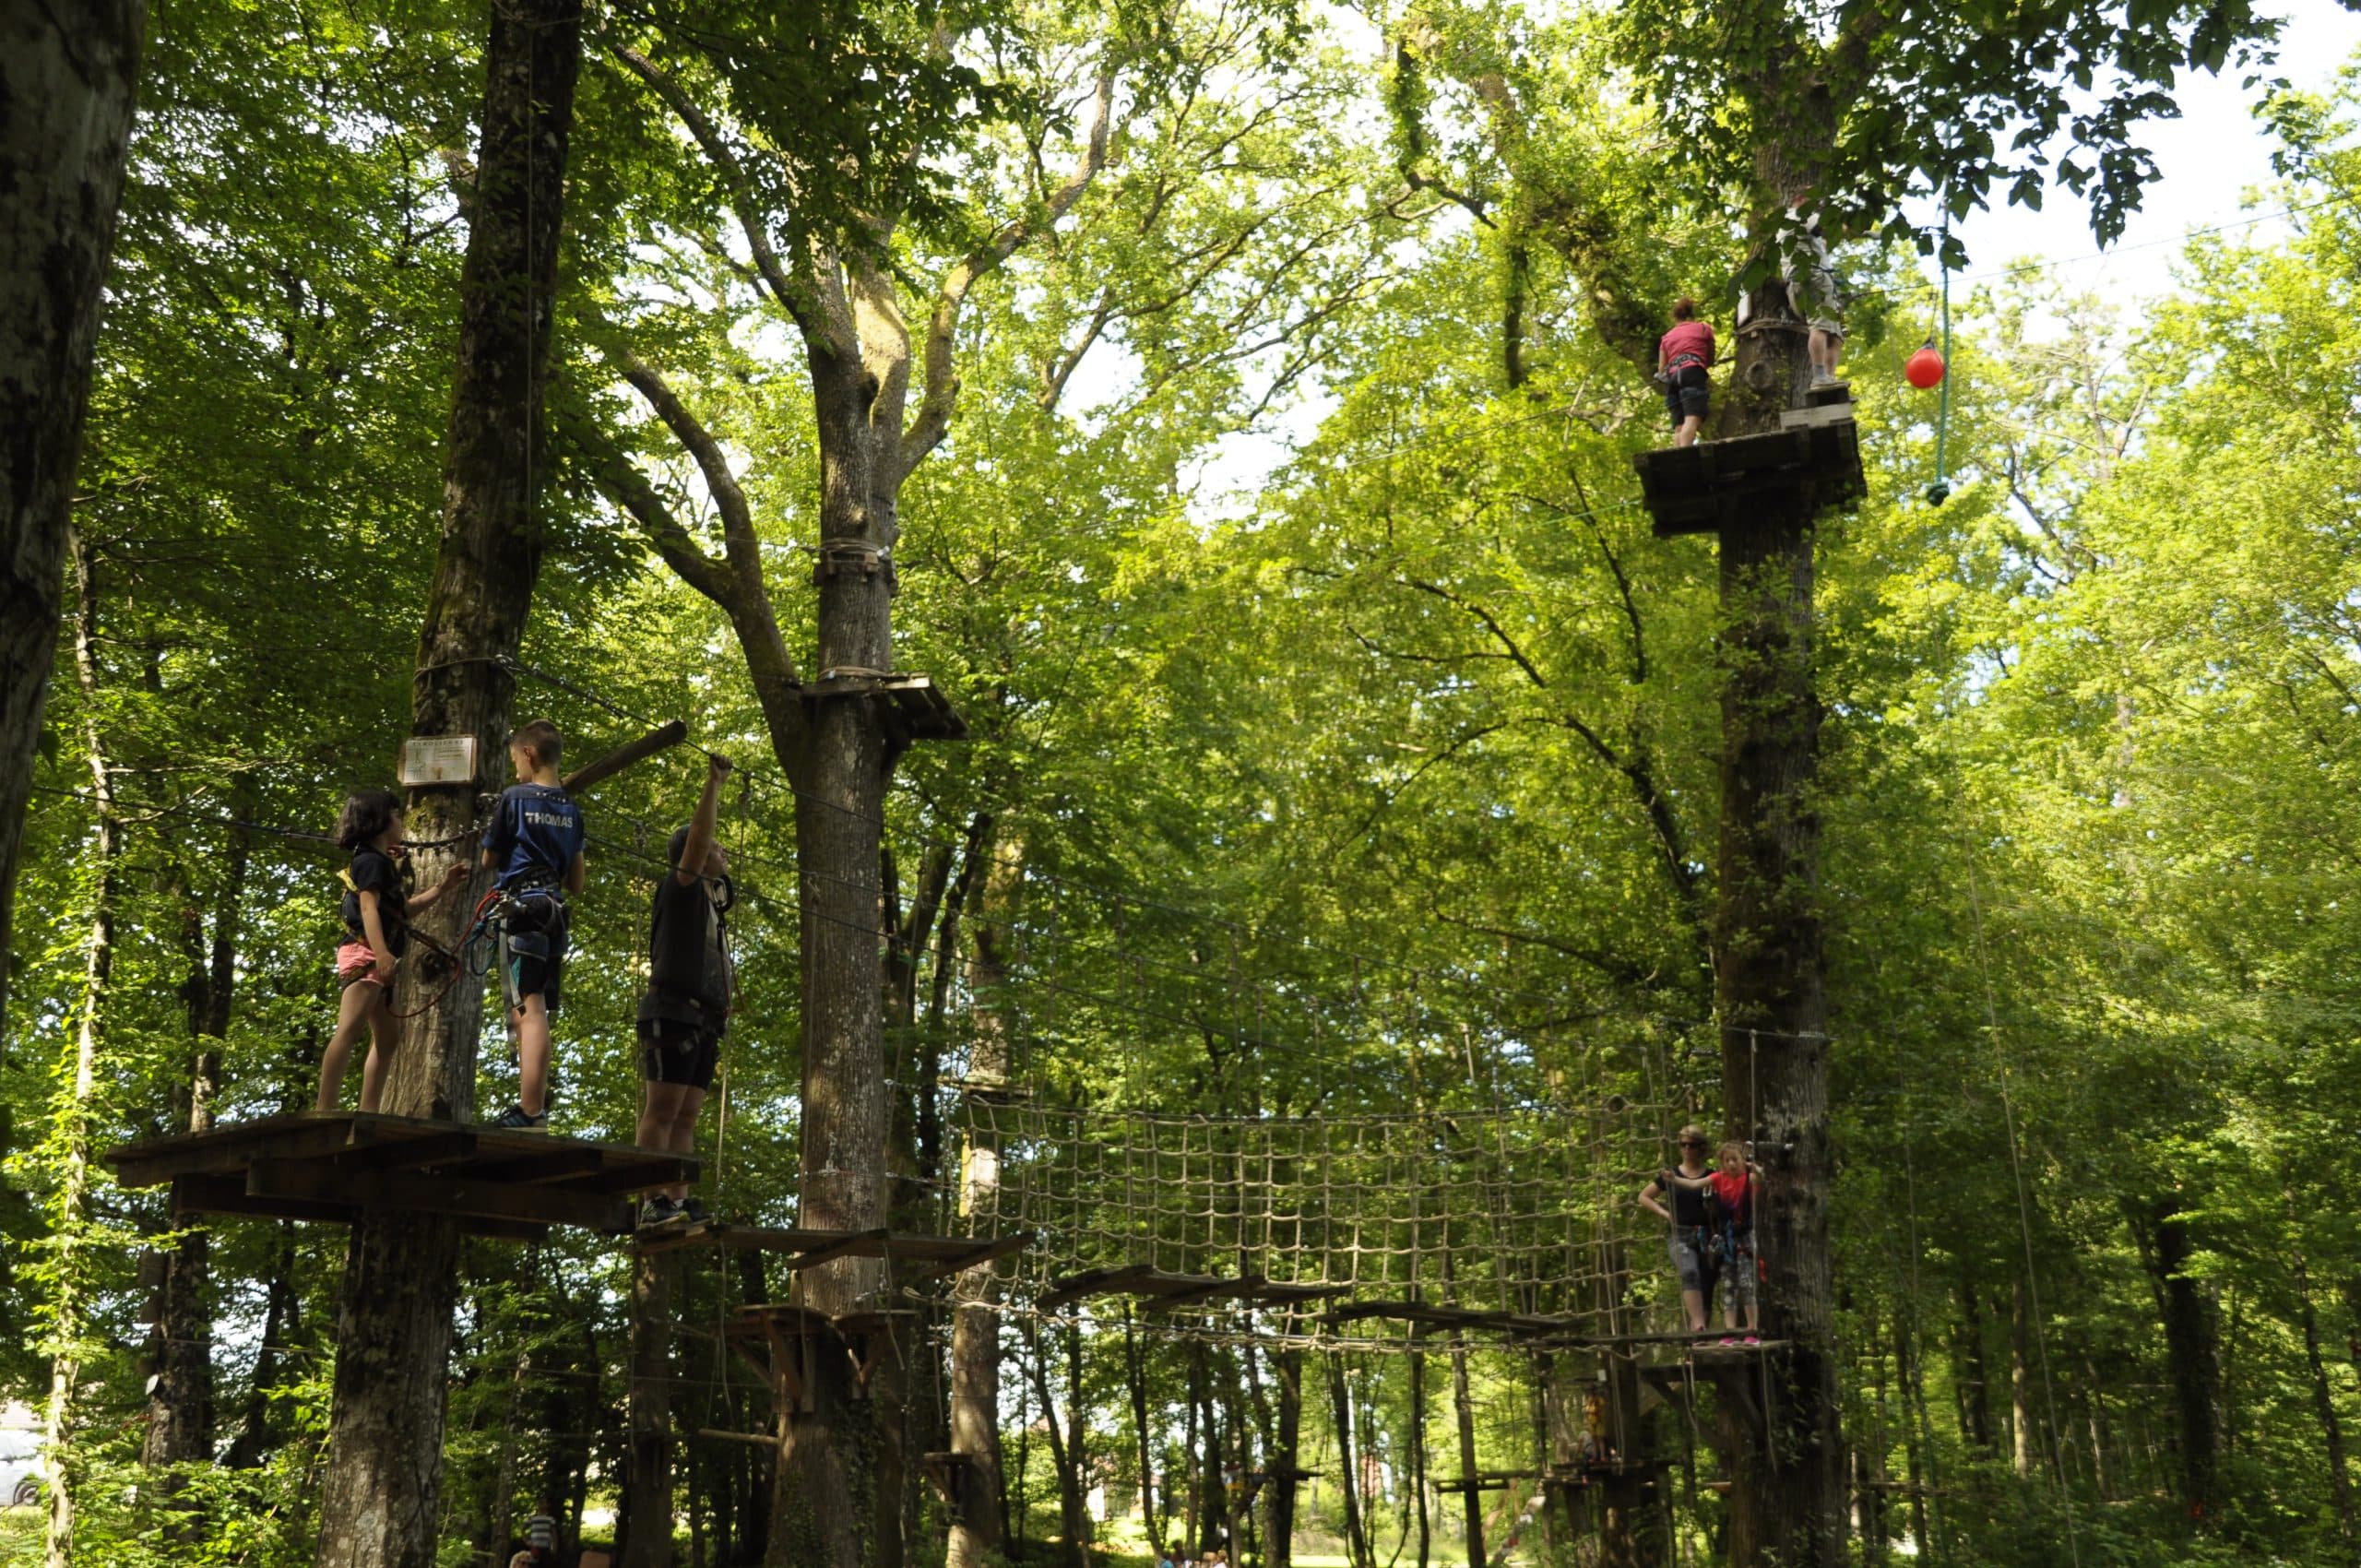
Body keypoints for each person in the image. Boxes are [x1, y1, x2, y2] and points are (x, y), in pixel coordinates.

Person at [317, 788, 467, 1113]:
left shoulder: (381, 863)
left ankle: (369, 1110)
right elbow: (368, 909)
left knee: (388, 1038)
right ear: (380, 822)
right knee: (349, 1028)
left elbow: (404, 911)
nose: (401, 821)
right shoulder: (370, 862)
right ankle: (324, 1107)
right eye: (396, 815)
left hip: (378, 956)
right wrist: (382, 953)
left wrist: (443, 887)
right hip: (366, 954)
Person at [635, 752, 735, 1229]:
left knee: (687, 1115)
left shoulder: (711, 905)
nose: (723, 852)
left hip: (703, 1018)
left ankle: (678, 1199)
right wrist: (713, 785)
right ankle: (652, 1198)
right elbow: (696, 840)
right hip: (672, 1010)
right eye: (716, 847)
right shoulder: (682, 887)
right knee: (663, 1109)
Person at [481, 719, 586, 1131]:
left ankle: (531, 1110)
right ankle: (531, 1106)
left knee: (531, 1007)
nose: (515, 769)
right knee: (531, 1007)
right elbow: (576, 882)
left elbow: (489, 859)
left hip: (523, 909)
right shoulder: (571, 809)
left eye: (515, 761)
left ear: (528, 754)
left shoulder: (515, 798)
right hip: (554, 911)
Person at [1637, 1124, 1718, 1334]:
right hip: (1680, 1235)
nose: (1687, 1149)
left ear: (1701, 1147)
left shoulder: (1712, 1176)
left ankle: (1698, 1339)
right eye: (1683, 1144)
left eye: (1691, 1145)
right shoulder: (1670, 1175)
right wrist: (1665, 1213)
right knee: (1689, 1272)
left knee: (1707, 1284)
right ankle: (1699, 1326)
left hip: (1707, 1236)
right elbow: (1644, 1196)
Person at [1704, 1139, 1762, 1344]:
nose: (1731, 1164)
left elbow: (1760, 1176)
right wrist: (1674, 1179)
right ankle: (1729, 1332)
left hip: (1745, 1239)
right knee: (1728, 1284)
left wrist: (1752, 1166)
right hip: (1726, 1240)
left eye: (1735, 1160)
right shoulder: (1718, 1180)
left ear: (1742, 1160)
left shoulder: (1749, 1179)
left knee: (1746, 1283)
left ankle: (1752, 1330)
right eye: (1727, 1160)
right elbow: (1694, 1183)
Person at [1656, 298, 1715, 448]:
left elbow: (1661, 369)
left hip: (1672, 377)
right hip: (1692, 372)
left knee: (1679, 427)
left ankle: (1678, 457)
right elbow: (1710, 358)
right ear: (1692, 314)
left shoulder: (1667, 337)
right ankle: (1685, 456)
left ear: (1675, 317)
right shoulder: (1704, 328)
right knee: (1692, 420)